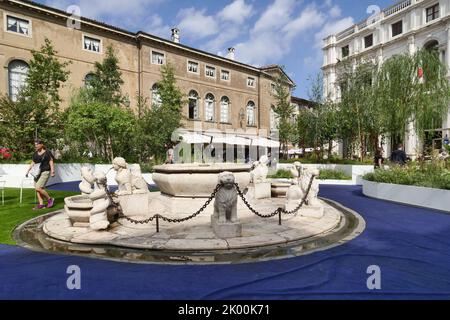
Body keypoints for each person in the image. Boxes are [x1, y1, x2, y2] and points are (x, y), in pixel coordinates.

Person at [25, 140, 56, 210]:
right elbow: (33, 162)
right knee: (38, 189)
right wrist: (28, 171)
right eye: (35, 145)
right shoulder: (35, 153)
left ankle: (50, 199)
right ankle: (41, 204)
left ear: (41, 145)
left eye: (37, 144)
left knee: (38, 187)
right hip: (37, 173)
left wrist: (52, 171)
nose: (36, 146)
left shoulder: (47, 152)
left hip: (45, 171)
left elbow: (51, 161)